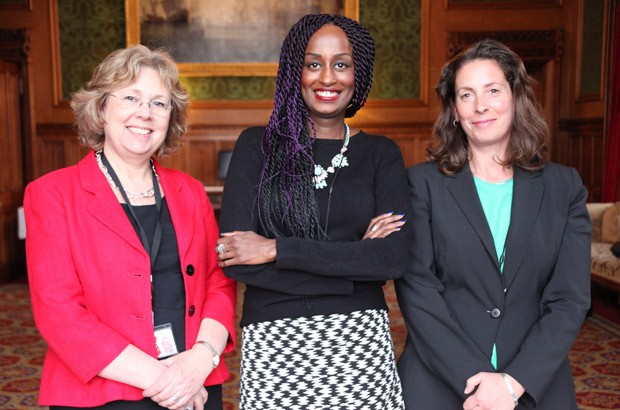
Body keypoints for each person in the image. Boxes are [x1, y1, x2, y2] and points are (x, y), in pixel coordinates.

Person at [24, 45, 237, 410]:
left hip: (194, 381)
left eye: (159, 103)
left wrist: (200, 361)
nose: (145, 113)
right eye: (131, 98)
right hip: (104, 390)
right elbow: (58, 311)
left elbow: (218, 283)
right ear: (102, 108)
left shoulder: (190, 192)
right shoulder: (51, 195)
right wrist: (166, 381)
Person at [216, 13, 409, 409]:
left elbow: (392, 257)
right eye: (312, 64)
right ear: (294, 72)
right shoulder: (256, 147)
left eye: (341, 64)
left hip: (359, 344)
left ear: (359, 74)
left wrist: (275, 249)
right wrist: (354, 262)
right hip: (273, 343)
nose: (327, 78)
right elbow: (234, 260)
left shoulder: (381, 154)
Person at [396, 39, 591, 409]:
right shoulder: (421, 184)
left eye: (493, 90)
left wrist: (513, 384)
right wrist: (478, 383)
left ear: (516, 98)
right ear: (454, 110)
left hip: (535, 381)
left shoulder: (564, 187)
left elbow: (569, 298)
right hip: (441, 380)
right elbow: (418, 291)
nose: (480, 105)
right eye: (466, 95)